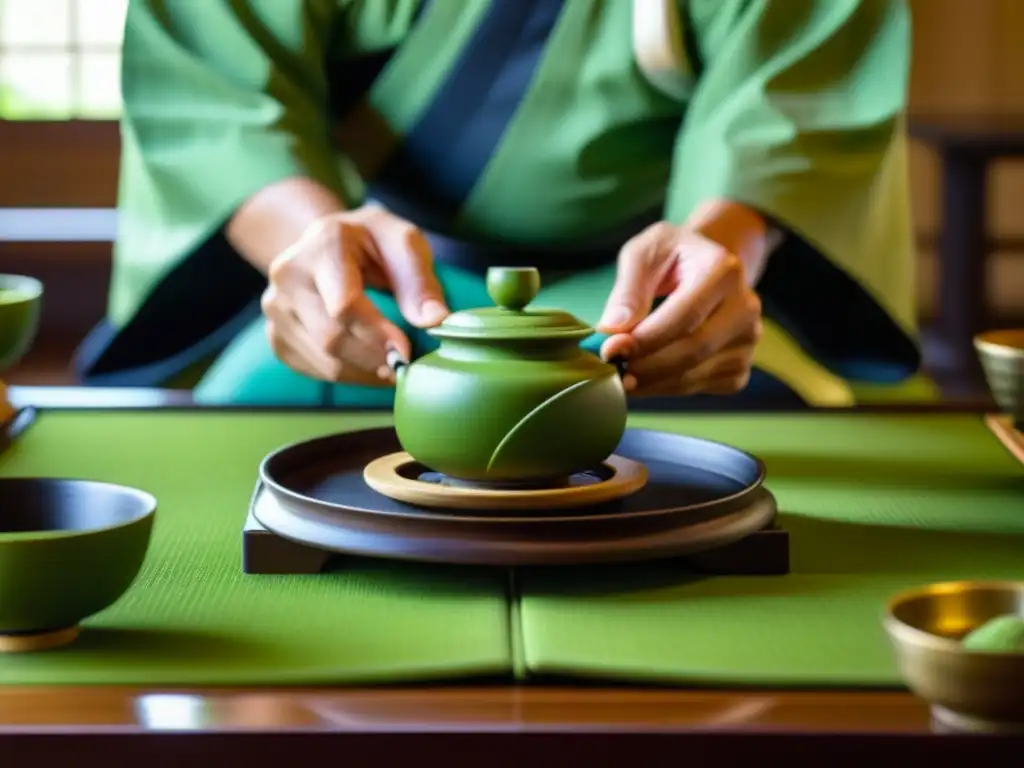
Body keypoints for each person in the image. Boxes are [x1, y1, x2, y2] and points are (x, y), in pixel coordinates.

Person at [75, 0, 922, 409]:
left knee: (742, 428)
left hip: (643, 283)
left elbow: (789, 106)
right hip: (378, 273)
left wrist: (714, 257)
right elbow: (216, 95)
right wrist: (314, 245)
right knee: (251, 433)